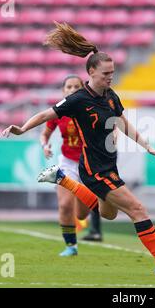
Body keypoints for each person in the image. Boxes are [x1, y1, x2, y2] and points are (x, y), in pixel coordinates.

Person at [2, 22, 155, 276]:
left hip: (108, 165)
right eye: (105, 73)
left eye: (112, 72)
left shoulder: (111, 95)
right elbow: (47, 113)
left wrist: (149, 148)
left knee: (108, 214)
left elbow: (123, 123)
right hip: (95, 169)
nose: (110, 77)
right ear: (91, 72)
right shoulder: (78, 100)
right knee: (138, 210)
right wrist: (22, 129)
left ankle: (62, 179)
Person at [40, 74, 103, 257]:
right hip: (67, 162)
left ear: (82, 89)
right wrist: (45, 146)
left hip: (88, 164)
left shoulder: (91, 109)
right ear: (63, 90)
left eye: (76, 87)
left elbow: (108, 124)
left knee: (82, 214)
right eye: (69, 87)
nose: (72, 90)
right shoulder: (59, 111)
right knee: (65, 205)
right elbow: (45, 133)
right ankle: (71, 246)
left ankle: (84, 215)